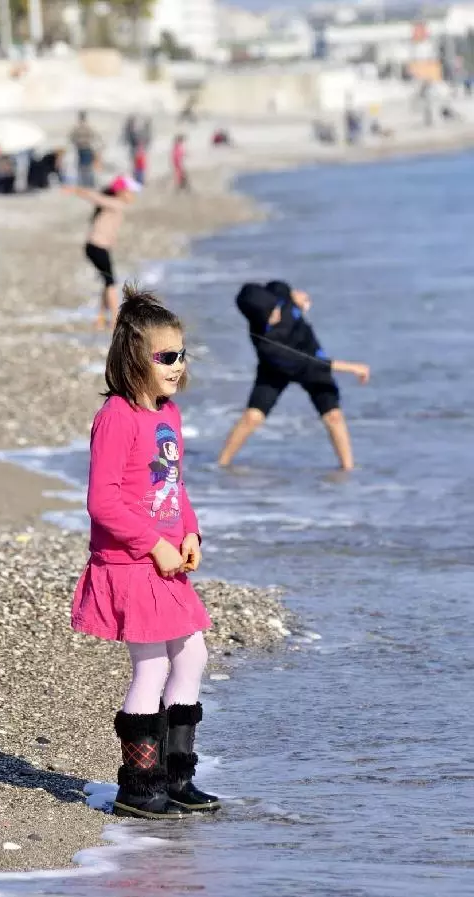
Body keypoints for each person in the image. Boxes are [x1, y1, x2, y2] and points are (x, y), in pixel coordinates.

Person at [71, 285, 220, 819]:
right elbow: (102, 501)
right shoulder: (117, 416)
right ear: (136, 358)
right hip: (130, 563)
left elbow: (174, 488)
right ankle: (139, 783)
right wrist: (152, 543)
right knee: (152, 666)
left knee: (193, 654)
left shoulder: (168, 414)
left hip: (166, 560)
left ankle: (176, 776)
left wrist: (190, 534)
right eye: (167, 357)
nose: (178, 366)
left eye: (183, 354)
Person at [218, 280, 370, 471]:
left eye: (275, 308)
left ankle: (348, 469)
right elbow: (309, 363)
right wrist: (353, 368)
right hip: (280, 368)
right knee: (252, 417)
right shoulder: (267, 345)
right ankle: (221, 464)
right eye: (270, 314)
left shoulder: (278, 295)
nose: (277, 313)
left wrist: (298, 298)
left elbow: (281, 287)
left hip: (310, 351)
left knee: (334, 417)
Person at [63, 175, 142, 330]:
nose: (133, 195)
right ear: (120, 192)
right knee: (111, 283)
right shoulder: (115, 204)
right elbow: (95, 197)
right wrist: (75, 190)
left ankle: (100, 318)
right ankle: (115, 319)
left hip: (99, 248)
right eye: (130, 192)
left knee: (107, 283)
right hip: (96, 247)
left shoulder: (117, 204)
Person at [70, 111, 101, 188]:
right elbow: (94, 137)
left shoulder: (77, 127)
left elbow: (72, 138)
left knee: (82, 168)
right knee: (88, 167)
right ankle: (89, 184)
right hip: (87, 148)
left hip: (81, 149)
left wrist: (78, 143)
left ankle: (83, 184)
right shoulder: (88, 127)